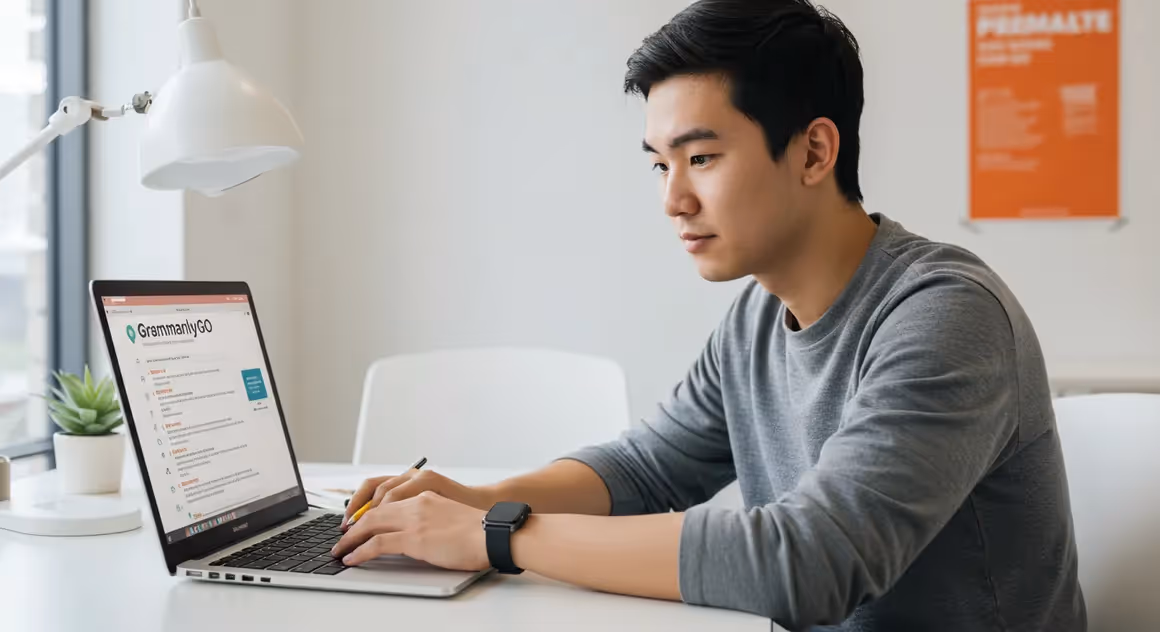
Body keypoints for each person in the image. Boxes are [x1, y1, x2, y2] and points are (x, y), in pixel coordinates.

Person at [330, 1, 1086, 629]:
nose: (673, 200)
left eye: (701, 158)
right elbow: (646, 467)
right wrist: (477, 499)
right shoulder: (757, 317)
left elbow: (810, 562)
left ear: (814, 152)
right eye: (660, 164)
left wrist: (497, 535)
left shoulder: (946, 314)